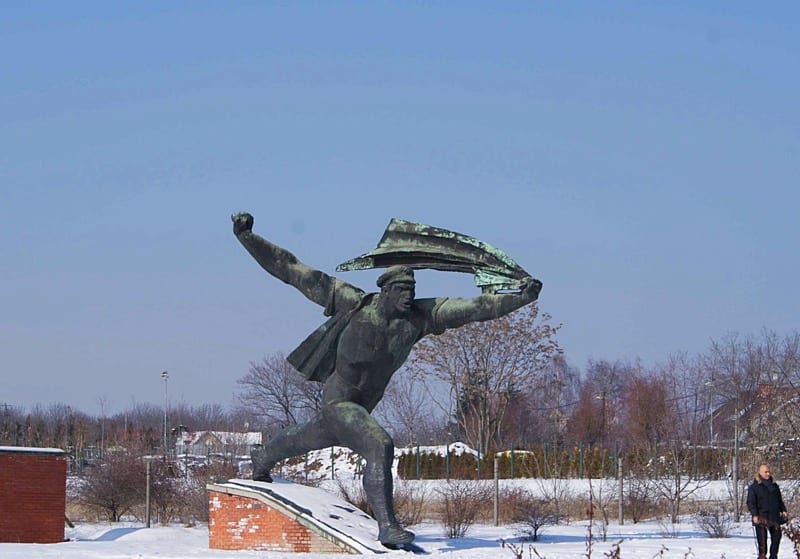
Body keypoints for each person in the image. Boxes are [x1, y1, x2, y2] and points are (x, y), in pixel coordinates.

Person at [231, 212, 542, 547]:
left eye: (412, 289)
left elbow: (475, 307)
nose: (408, 296)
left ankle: (263, 458)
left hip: (362, 408)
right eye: (401, 289)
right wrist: (247, 238)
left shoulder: (419, 318)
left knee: (305, 438)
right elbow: (291, 269)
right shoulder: (351, 303)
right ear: (385, 291)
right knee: (379, 445)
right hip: (341, 402)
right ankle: (388, 528)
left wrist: (521, 297)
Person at [747, 463, 788, 559]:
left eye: (768, 471)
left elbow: (779, 500)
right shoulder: (754, 487)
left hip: (774, 517)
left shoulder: (774, 486)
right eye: (765, 472)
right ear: (760, 473)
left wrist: (783, 510)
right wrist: (754, 515)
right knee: (762, 544)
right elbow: (751, 502)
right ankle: (762, 556)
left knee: (777, 538)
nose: (768, 474)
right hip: (761, 517)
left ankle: (773, 557)